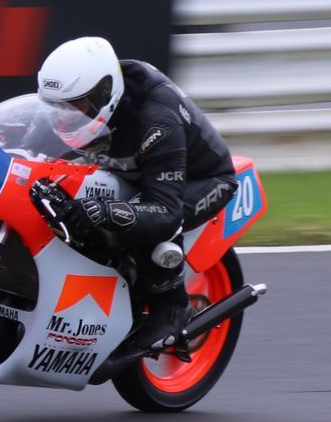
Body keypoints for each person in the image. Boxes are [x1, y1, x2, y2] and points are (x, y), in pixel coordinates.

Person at [27, 36, 236, 362]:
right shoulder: (79, 104)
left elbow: (165, 211)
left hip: (202, 180)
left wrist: (104, 211)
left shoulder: (156, 118)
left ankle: (171, 310)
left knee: (145, 227)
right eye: (57, 107)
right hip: (133, 172)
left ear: (102, 95)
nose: (64, 117)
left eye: (75, 107)